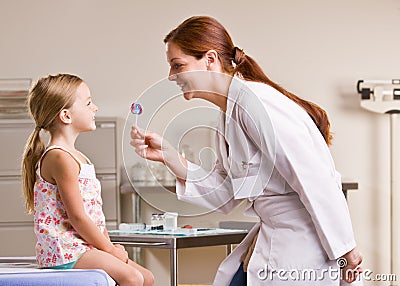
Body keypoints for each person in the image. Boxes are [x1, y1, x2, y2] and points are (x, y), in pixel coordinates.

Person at [130, 16, 363, 285]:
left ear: (210, 59)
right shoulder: (229, 113)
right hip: (275, 239)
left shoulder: (257, 103)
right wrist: (170, 157)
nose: (171, 76)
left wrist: (346, 248)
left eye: (177, 65)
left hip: (305, 244)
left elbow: (313, 176)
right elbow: (226, 194)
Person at [22, 74, 154, 286]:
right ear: (65, 115)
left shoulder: (77, 157)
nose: (95, 108)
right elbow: (78, 217)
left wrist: (108, 246)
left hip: (84, 246)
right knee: (132, 278)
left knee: (147, 278)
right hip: (65, 250)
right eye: (89, 103)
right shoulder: (59, 157)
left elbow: (95, 217)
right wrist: (110, 250)